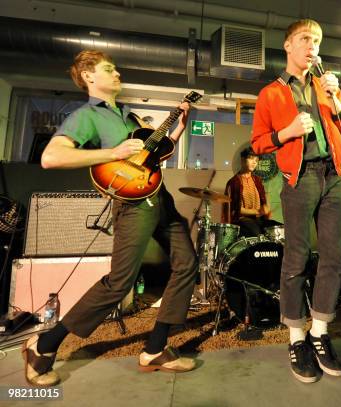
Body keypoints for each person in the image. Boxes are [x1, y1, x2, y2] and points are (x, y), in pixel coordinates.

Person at [23, 50, 198, 386]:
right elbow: (51, 157)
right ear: (89, 77)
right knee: (120, 282)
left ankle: (155, 348)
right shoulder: (87, 115)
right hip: (133, 204)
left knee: (187, 263)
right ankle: (43, 345)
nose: (117, 73)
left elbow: (154, 154)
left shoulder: (130, 117)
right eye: (108, 69)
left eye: (116, 68)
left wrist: (179, 128)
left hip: (160, 197)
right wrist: (113, 153)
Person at [251, 19, 341, 382]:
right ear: (288, 46)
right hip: (300, 177)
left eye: (317, 41)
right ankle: (296, 337)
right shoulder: (271, 93)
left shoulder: (326, 86)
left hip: (334, 177)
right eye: (305, 39)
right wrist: (288, 132)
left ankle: (319, 332)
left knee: (334, 256)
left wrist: (338, 100)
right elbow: (259, 142)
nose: (313, 46)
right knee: (296, 257)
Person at [222, 147, 274, 237]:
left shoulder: (257, 180)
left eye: (256, 160)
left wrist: (266, 208)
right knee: (258, 234)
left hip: (259, 219)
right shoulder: (233, 182)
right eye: (251, 158)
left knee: (276, 230)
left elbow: (264, 204)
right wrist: (257, 211)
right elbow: (236, 210)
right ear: (242, 160)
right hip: (242, 220)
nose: (254, 162)